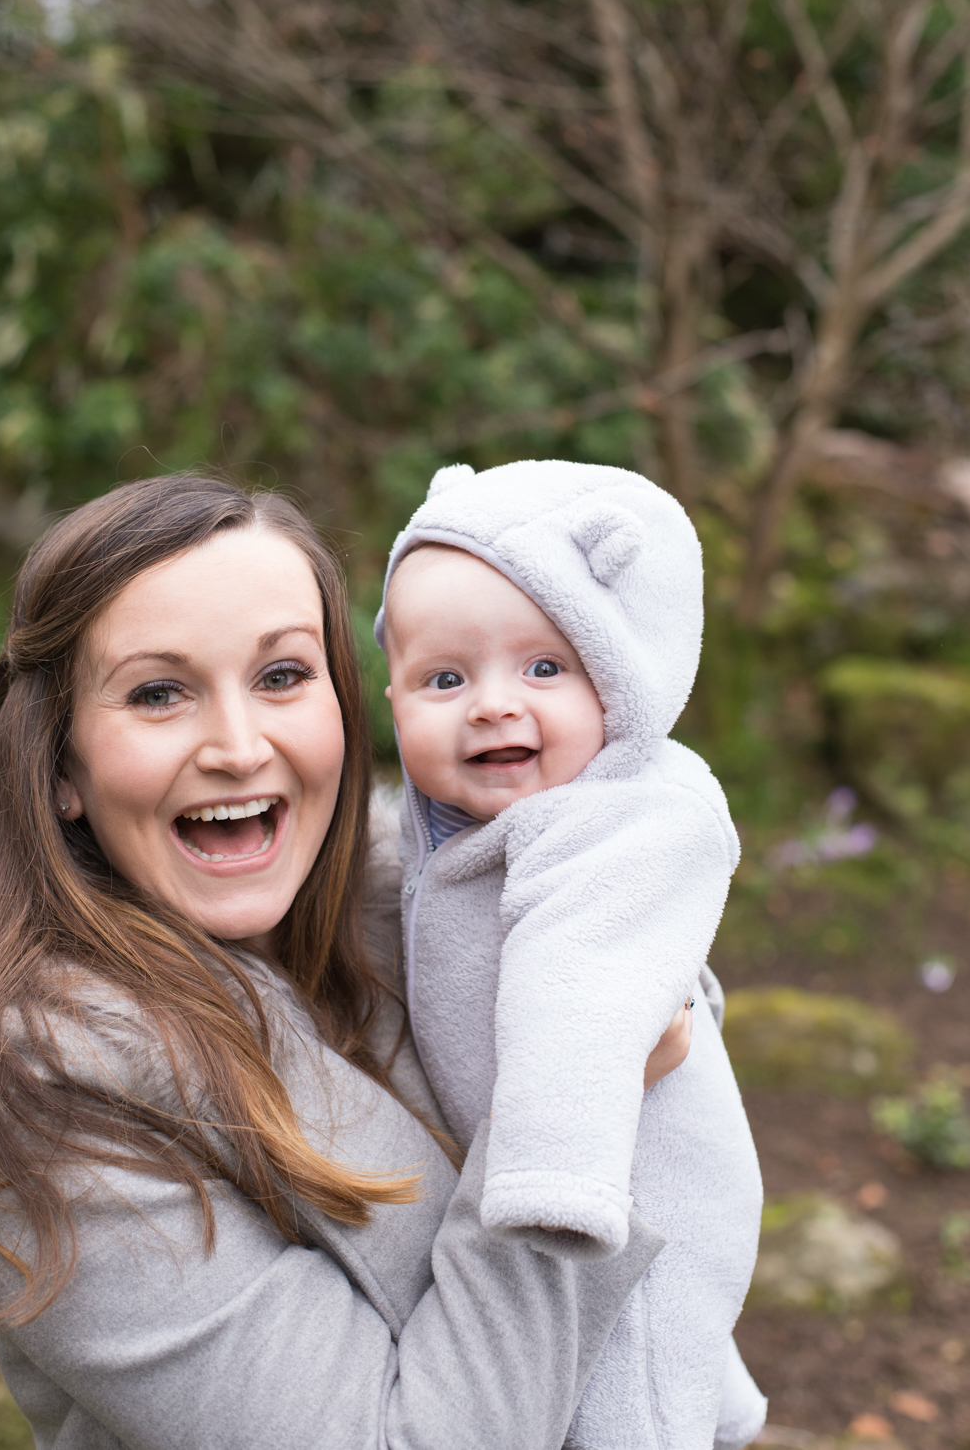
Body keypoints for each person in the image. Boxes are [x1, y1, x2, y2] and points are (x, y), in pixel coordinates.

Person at [0, 473, 692, 1450]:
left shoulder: (430, 907)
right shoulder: (59, 1089)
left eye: (281, 677)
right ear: (63, 767)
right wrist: (565, 1108)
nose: (238, 746)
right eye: (157, 692)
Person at [376, 460, 767, 1450]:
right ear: (392, 694)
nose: (493, 705)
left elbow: (582, 990)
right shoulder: (444, 823)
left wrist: (553, 1177)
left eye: (543, 668)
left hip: (620, 1181)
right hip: (563, 1174)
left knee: (624, 1384)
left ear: (621, 677)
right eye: (445, 678)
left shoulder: (626, 823)